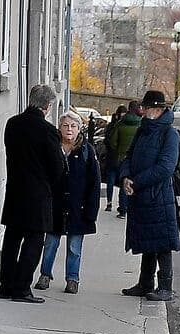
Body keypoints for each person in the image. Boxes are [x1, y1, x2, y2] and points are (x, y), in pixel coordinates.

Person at [0, 84, 67, 304]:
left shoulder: (13, 124)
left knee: (12, 239)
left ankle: (6, 285)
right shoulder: (48, 131)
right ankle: (22, 288)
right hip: (38, 194)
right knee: (34, 241)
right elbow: (57, 166)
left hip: (15, 189)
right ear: (47, 106)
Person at [120, 90, 180, 302]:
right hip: (140, 196)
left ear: (157, 110)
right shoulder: (142, 130)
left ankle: (165, 286)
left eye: (145, 108)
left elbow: (165, 167)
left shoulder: (170, 134)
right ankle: (145, 283)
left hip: (159, 197)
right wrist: (126, 177)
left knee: (162, 243)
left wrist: (136, 182)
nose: (142, 111)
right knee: (148, 240)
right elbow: (129, 156)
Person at [35, 111, 102, 295]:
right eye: (65, 126)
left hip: (78, 208)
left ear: (79, 129)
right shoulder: (52, 148)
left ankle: (72, 279)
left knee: (74, 247)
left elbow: (94, 183)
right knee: (50, 243)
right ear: (59, 128)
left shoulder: (86, 150)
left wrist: (91, 211)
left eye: (73, 126)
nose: (69, 129)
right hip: (54, 207)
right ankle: (45, 275)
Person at [109, 101, 143, 219]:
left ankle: (123, 210)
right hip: (137, 158)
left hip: (122, 157)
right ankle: (134, 208)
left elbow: (112, 142)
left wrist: (119, 149)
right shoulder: (141, 124)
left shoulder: (120, 124)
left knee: (124, 182)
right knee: (137, 183)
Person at [103, 105, 127, 212]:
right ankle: (122, 206)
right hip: (122, 158)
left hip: (112, 157)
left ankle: (109, 203)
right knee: (122, 182)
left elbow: (108, 141)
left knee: (111, 181)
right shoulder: (127, 125)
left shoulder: (112, 125)